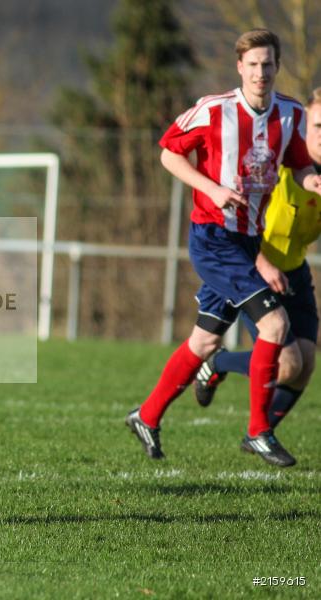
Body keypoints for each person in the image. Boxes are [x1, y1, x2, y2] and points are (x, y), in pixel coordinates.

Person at [125, 29, 321, 467]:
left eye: (267, 64)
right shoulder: (214, 110)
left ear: (277, 66)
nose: (260, 73)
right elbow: (168, 153)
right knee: (274, 325)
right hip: (213, 239)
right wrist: (211, 189)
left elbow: (299, 165)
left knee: (206, 340)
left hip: (248, 239)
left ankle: (146, 415)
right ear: (239, 67)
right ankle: (258, 432)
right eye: (252, 65)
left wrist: (314, 182)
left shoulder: (289, 113)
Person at [193, 88, 321, 443]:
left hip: (294, 271)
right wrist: (260, 262)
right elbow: (242, 221)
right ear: (304, 126)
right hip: (254, 266)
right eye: (318, 126)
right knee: (288, 363)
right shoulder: (279, 166)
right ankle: (216, 364)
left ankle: (261, 436)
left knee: (306, 363)